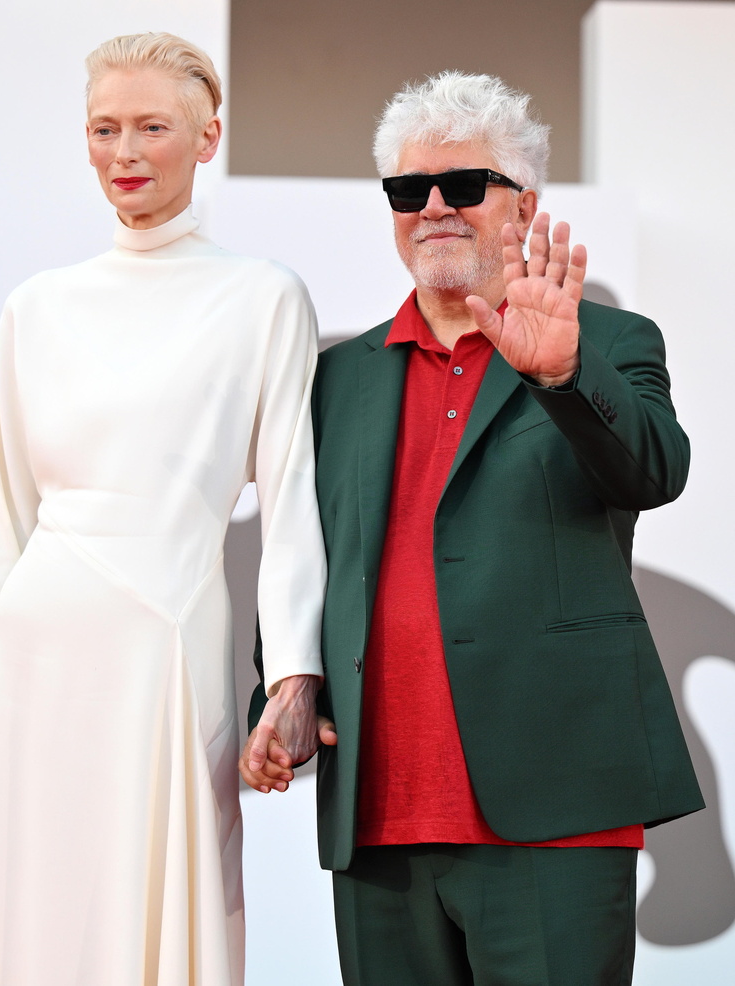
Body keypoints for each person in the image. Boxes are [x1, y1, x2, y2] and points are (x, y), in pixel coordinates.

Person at [241, 70, 704, 985]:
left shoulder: (606, 343)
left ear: (523, 205)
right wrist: (284, 688)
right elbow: (309, 549)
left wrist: (563, 376)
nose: (436, 209)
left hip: (558, 806)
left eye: (465, 185)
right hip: (378, 820)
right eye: (411, 191)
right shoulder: (339, 379)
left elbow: (655, 471)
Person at [0, 32, 325, 986]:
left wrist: (294, 677)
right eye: (104, 128)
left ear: (207, 136)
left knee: (160, 918)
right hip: (37, 654)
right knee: (29, 911)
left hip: (169, 644)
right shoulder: (37, 307)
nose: (126, 152)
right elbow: (3, 516)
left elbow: (292, 512)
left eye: (153, 126)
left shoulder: (263, 298)